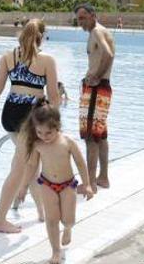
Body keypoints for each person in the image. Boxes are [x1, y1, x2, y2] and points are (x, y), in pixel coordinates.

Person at [0, 19, 60, 233]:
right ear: (42, 36)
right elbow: (54, 96)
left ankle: (42, 213)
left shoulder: (8, 56)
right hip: (30, 117)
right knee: (20, 166)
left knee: (31, 163)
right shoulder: (47, 60)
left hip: (9, 114)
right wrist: (54, 125)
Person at [21, 100, 94, 264]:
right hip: (47, 184)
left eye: (48, 133)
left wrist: (87, 184)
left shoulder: (67, 142)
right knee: (51, 220)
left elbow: (81, 163)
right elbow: (32, 165)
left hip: (68, 185)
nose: (44, 136)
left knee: (68, 219)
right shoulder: (38, 144)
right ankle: (55, 251)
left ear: (57, 127)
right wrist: (24, 186)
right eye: (39, 132)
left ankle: (67, 229)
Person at [74, 3, 115, 191]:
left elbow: (108, 54)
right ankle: (103, 177)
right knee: (101, 135)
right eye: (78, 18)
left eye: (83, 18)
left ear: (93, 15)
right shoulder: (98, 32)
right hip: (102, 88)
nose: (80, 22)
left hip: (97, 88)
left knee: (90, 137)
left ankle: (90, 183)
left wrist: (96, 75)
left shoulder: (97, 32)